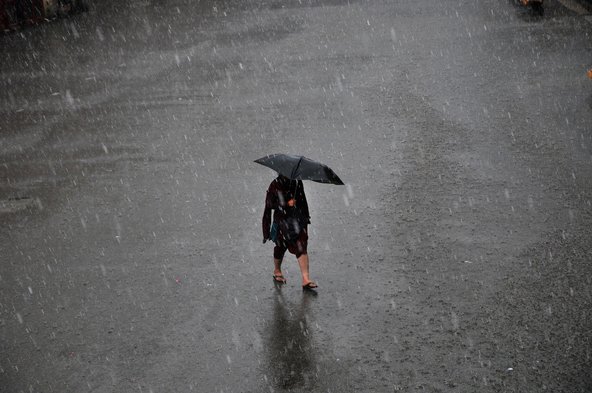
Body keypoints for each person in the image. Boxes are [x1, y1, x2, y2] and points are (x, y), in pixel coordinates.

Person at [262, 174, 318, 290]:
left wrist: (305, 217)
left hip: (297, 219)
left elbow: (303, 200)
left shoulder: (297, 182)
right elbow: (270, 204)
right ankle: (277, 270)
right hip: (282, 221)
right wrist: (286, 204)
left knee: (301, 245)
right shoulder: (275, 184)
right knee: (280, 247)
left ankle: (305, 279)